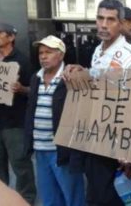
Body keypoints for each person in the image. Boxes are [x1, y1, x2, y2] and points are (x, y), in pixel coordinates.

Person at [64, 0, 131, 206]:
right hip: (95, 139)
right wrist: (84, 73)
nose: (104, 24)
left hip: (116, 149)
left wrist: (130, 151)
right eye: (100, 18)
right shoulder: (98, 52)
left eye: (110, 19)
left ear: (120, 24)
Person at [24, 35, 85, 206]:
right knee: (49, 198)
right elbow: (31, 110)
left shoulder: (71, 78)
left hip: (62, 151)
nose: (43, 56)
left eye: (48, 52)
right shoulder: (35, 78)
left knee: (72, 196)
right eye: (41, 53)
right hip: (40, 149)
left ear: (60, 55)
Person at [0, 23, 36, 205]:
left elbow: (33, 90)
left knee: (21, 165)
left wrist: (21, 89)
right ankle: (0, 199)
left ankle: (26, 199)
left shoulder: (22, 60)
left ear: (11, 37)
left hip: (15, 124)